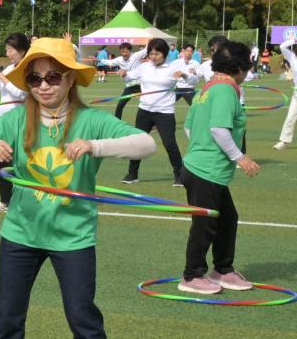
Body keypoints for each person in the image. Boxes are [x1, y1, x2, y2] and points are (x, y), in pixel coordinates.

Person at [0, 37, 155, 339]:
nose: (44, 85)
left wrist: (95, 146)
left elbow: (146, 144)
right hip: (20, 233)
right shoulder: (17, 119)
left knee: (83, 315)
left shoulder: (91, 120)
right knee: (9, 313)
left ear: (71, 79)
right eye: (34, 79)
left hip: (73, 236)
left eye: (53, 76)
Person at [178, 41, 261, 295]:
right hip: (206, 170)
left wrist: (201, 149)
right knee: (205, 225)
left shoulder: (208, 88)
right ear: (238, 67)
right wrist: (240, 158)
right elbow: (217, 129)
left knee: (227, 218)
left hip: (199, 166)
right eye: (247, 66)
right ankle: (191, 275)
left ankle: (223, 270)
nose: (248, 72)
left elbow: (188, 127)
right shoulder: (226, 89)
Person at [120, 37, 190, 187]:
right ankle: (132, 174)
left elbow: (192, 79)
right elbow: (130, 77)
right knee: (137, 143)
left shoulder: (172, 68)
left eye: (157, 54)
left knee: (170, 144)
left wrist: (184, 75)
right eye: (151, 54)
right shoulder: (144, 67)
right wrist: (124, 74)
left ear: (164, 54)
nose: (153, 57)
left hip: (164, 112)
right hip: (144, 110)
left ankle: (179, 175)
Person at [0, 33, 30, 212]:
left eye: (11, 50)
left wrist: (2, 77)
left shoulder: (27, 68)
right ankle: (5, 201)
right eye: (7, 50)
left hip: (21, 121)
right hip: (5, 122)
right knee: (1, 160)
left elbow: (21, 94)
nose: (8, 53)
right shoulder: (10, 68)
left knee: (18, 163)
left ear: (22, 50)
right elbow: (1, 88)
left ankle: (20, 201)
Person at [273, 33, 296, 150]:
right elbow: (282, 46)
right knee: (290, 117)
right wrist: (294, 40)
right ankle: (284, 142)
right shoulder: (292, 57)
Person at [109, 42, 142, 119]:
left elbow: (147, 49)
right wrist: (98, 60)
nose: (124, 54)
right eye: (122, 52)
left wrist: (151, 41)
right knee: (120, 105)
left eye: (126, 52)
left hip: (142, 85)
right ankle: (117, 122)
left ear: (130, 51)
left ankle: (154, 123)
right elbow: (109, 62)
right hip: (130, 87)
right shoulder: (120, 60)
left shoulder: (136, 56)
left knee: (148, 105)